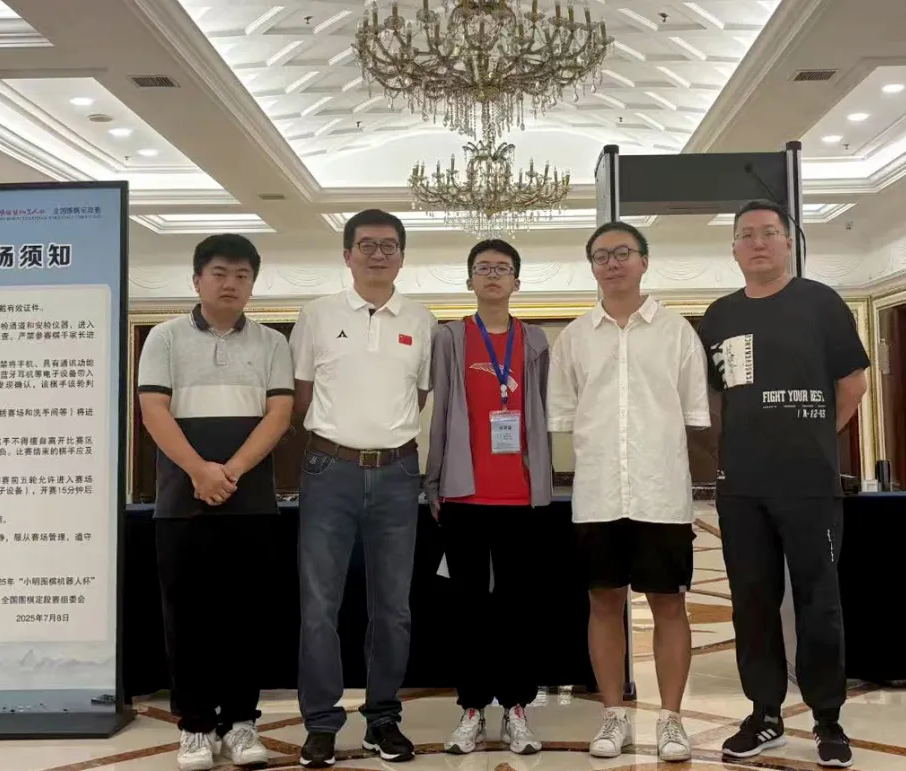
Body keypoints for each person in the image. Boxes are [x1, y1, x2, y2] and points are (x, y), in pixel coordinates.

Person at [697, 199, 869, 769]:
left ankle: (827, 718)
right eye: (746, 234)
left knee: (819, 602)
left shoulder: (821, 303)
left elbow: (853, 384)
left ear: (788, 243)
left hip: (808, 483)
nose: (758, 243)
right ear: (734, 248)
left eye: (769, 233)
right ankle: (764, 714)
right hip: (741, 487)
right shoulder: (719, 315)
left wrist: (812, 439)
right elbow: (715, 397)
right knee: (751, 601)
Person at [547, 222, 710, 763]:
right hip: (598, 493)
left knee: (670, 604)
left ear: (644, 261)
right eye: (601, 256)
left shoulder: (677, 332)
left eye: (622, 253)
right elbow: (564, 416)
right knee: (603, 603)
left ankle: (671, 718)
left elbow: (693, 413)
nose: (612, 263)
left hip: (661, 491)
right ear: (591, 266)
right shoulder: (574, 337)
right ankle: (613, 713)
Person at [137, 234, 295, 771]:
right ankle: (196, 727)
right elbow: (154, 411)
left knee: (247, 619)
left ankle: (243, 722)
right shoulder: (164, 337)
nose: (231, 284)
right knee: (187, 618)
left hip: (251, 502)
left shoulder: (272, 343)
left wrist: (231, 471)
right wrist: (199, 471)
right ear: (197, 279)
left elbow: (279, 415)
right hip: (182, 502)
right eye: (220, 273)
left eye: (242, 275)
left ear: (253, 284)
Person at [291, 209, 436, 769]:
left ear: (402, 255)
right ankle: (321, 724)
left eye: (389, 245)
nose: (379, 254)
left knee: (393, 607)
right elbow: (303, 395)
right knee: (319, 605)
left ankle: (383, 719)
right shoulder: (317, 314)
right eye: (368, 245)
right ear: (348, 254)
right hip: (330, 470)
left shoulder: (422, 320)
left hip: (398, 472)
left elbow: (417, 396)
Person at [424, 239, 552, 756]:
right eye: (483, 268)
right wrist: (434, 480)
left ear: (517, 281)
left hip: (521, 496)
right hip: (465, 495)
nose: (493, 275)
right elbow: (440, 412)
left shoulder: (535, 340)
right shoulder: (451, 338)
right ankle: (473, 709)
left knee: (519, 608)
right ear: (470, 280)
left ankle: (517, 708)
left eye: (502, 268)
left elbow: (544, 411)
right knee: (469, 609)